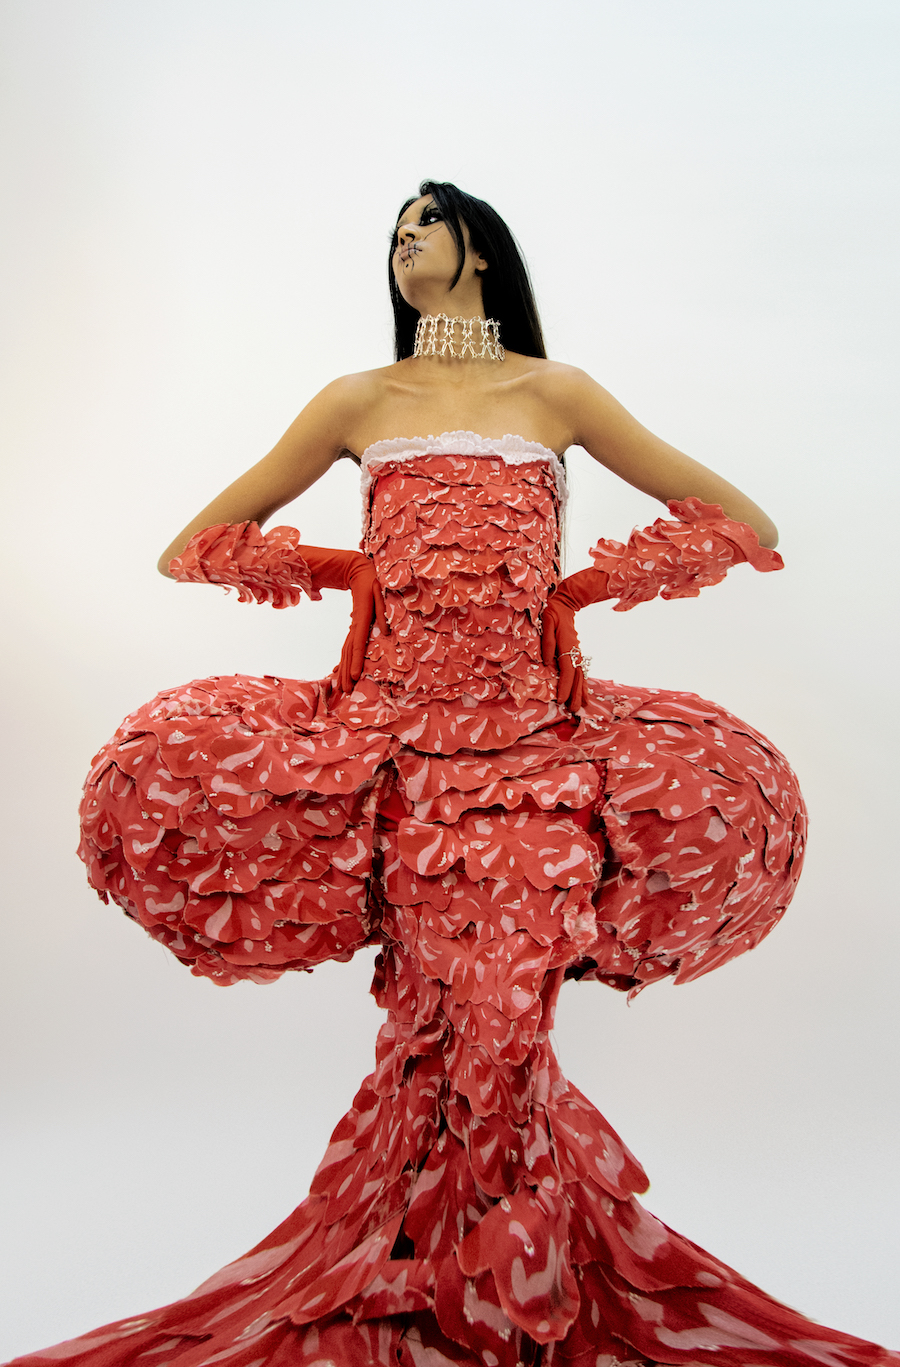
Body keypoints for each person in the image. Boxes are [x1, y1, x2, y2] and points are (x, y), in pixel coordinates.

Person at [9, 181, 896, 1367]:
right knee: (444, 1025)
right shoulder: (358, 400)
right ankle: (433, 1286)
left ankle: (500, 1289)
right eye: (393, 233)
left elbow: (742, 518)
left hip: (534, 758)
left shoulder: (557, 392)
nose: (401, 245)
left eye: (420, 225)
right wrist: (353, 574)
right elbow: (193, 547)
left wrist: (582, 591)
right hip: (398, 755)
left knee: (502, 1028)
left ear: (476, 246)